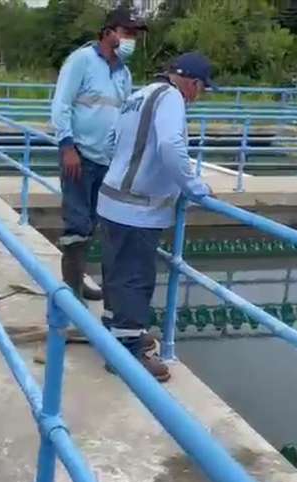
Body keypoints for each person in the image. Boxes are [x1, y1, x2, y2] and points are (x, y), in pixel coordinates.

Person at [97, 52, 215, 382]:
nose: (198, 96)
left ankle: (116, 330)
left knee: (116, 274)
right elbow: (170, 147)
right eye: (201, 89)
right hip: (138, 209)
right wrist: (195, 188)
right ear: (192, 83)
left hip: (111, 200)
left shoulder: (139, 94)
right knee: (136, 279)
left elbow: (109, 143)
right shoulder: (171, 99)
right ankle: (128, 352)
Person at [51, 6, 146, 303]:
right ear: (108, 33)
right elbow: (61, 104)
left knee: (94, 225)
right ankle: (72, 297)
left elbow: (124, 114)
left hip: (107, 161)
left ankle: (79, 283)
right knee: (77, 225)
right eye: (127, 33)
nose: (132, 40)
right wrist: (67, 146)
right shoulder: (82, 61)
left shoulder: (124, 73)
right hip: (78, 156)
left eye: (135, 35)